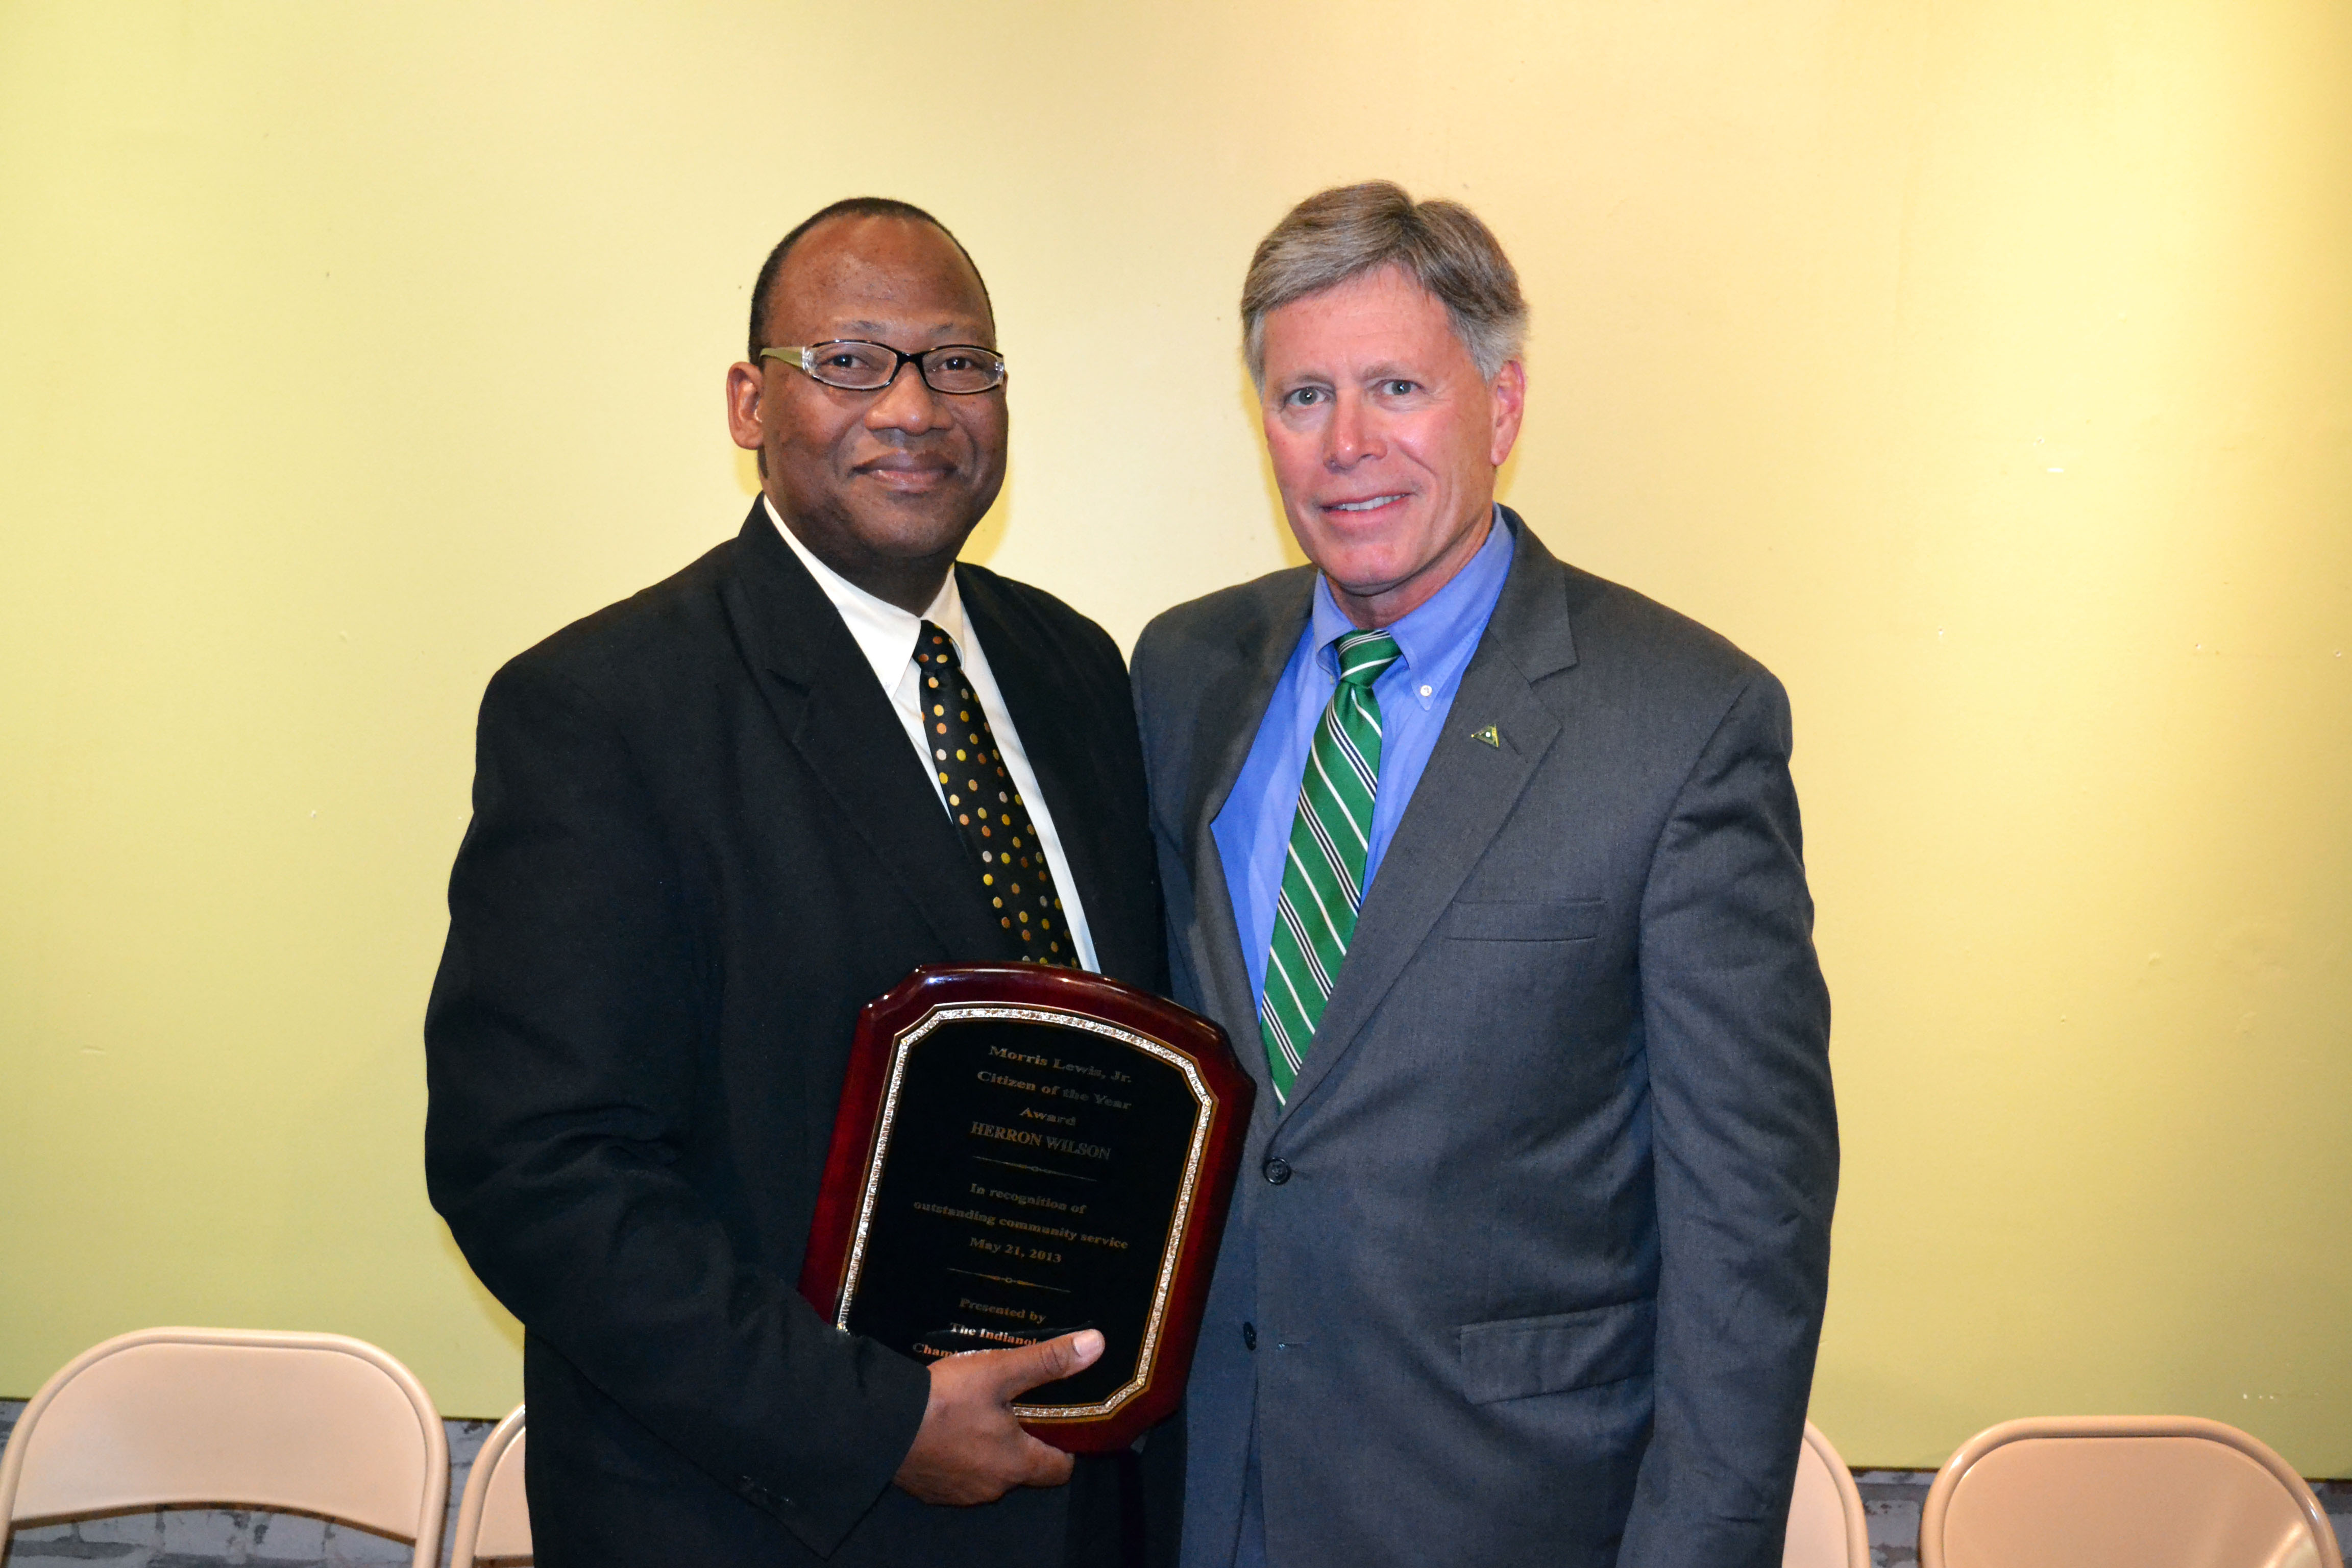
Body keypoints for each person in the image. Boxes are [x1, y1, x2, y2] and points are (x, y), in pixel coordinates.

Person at [425, 198, 1167, 1567]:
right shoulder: (603, 711)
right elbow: (533, 1167)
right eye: (850, 361)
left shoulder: (1076, 672)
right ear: (748, 401)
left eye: (958, 362)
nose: (913, 407)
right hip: (769, 1519)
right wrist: (871, 1422)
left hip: (1083, 1511)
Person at [1130, 182, 1838, 1567]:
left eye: (1397, 386)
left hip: (1510, 1515)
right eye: (1302, 397)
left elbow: (1748, 1222)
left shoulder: (1681, 723)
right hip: (1209, 1495)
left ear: (1501, 408)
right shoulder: (1182, 676)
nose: (1346, 447)